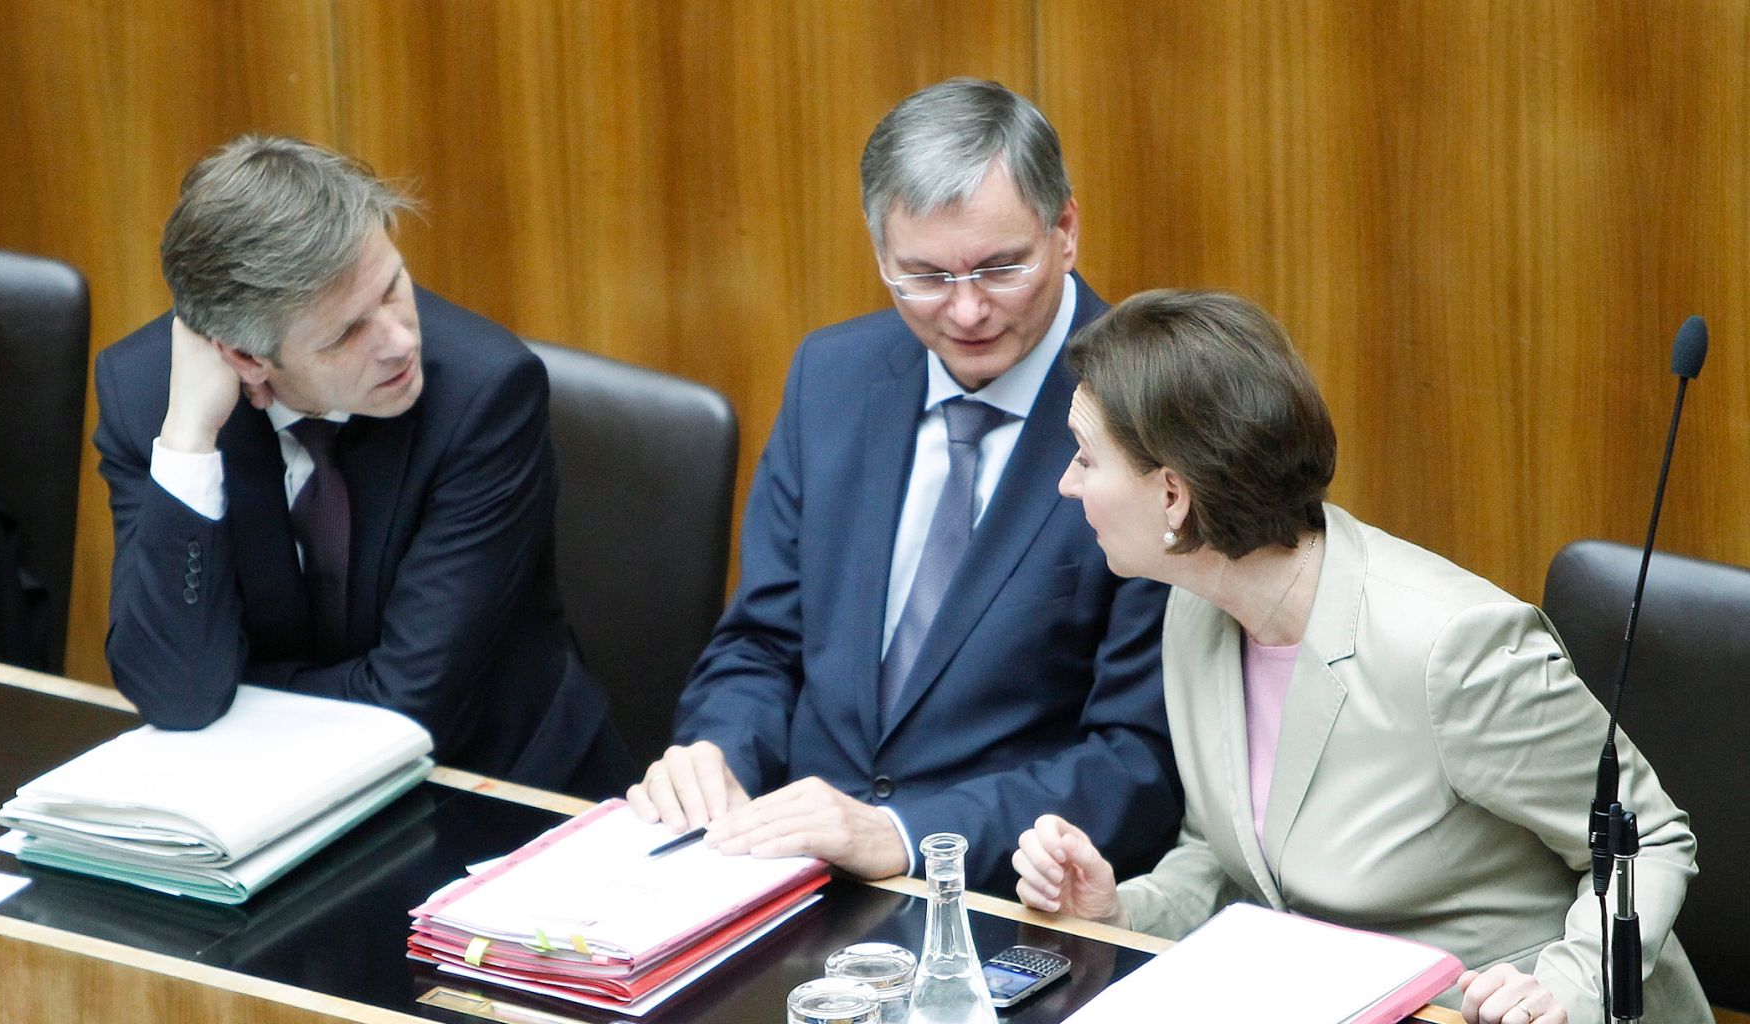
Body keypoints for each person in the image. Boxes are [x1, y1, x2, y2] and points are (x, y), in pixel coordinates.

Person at [1013, 288, 1720, 1024]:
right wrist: (1119, 908)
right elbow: (1233, 855)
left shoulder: (1451, 647)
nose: (1067, 485)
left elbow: (1647, 840)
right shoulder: (1194, 611)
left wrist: (1568, 985)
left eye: (1085, 457)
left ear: (1173, 494)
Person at [628, 79, 1180, 894]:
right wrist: (718, 756)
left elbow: (1139, 763)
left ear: (1065, 229)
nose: (965, 312)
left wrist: (906, 833)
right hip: (789, 873)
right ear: (880, 252)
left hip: (1012, 900)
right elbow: (763, 643)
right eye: (922, 276)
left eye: (999, 268)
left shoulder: (1155, 413)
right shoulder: (834, 375)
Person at [94, 135, 630, 796]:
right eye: (348, 332)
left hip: (494, 789)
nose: (399, 340)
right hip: (268, 800)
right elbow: (176, 692)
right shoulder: (150, 398)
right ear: (245, 359)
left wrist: (237, 692)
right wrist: (188, 439)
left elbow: (408, 707)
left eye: (393, 285)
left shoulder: (485, 393)